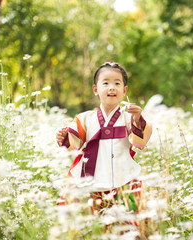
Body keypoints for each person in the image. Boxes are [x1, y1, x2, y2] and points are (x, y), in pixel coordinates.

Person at [56, 61, 152, 212]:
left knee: (126, 221)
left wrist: (138, 119)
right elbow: (73, 145)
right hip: (91, 179)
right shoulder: (85, 118)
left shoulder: (128, 118)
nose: (112, 87)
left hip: (123, 178)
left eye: (117, 83)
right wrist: (63, 137)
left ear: (124, 90)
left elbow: (139, 142)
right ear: (95, 89)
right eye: (106, 83)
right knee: (90, 222)